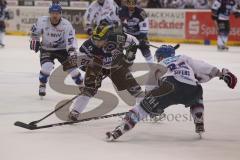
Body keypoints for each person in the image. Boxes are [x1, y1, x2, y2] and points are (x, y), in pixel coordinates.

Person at [106, 44, 237, 141]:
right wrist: (220, 74)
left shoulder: (158, 66)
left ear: (161, 57)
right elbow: (202, 67)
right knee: (197, 92)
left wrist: (152, 109)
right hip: (191, 88)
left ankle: (121, 129)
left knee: (142, 108)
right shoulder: (183, 57)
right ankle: (199, 120)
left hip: (169, 86)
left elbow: (150, 90)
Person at [68, 23, 145, 121]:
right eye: (94, 40)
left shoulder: (118, 37)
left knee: (134, 88)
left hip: (116, 65)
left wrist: (129, 58)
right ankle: (75, 111)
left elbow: (134, 42)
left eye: (100, 40)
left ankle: (148, 109)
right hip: (97, 67)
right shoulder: (87, 46)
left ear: (107, 37)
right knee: (89, 89)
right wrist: (93, 71)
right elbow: (82, 64)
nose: (97, 43)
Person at [30, 3, 82, 97]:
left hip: (62, 50)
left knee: (73, 70)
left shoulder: (66, 25)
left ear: (61, 14)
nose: (55, 15)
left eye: (57, 13)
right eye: (53, 13)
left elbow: (70, 39)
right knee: (46, 67)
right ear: (49, 13)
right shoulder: (42, 21)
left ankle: (82, 86)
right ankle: (42, 84)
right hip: (47, 49)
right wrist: (35, 40)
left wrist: (71, 51)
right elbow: (35, 32)